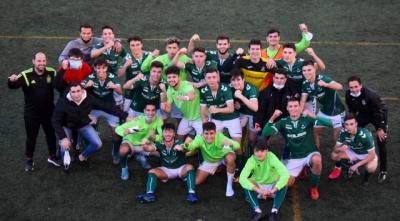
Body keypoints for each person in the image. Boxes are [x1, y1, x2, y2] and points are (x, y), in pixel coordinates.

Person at [262, 98, 332, 200]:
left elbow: (329, 123)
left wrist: (313, 115)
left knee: (317, 160)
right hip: (295, 157)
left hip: (310, 153)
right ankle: (297, 173)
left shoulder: (307, 119)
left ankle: (313, 188)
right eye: (290, 106)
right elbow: (265, 132)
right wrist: (273, 117)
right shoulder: (283, 122)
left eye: (295, 106)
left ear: (300, 107)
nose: (293, 108)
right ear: (287, 108)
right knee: (285, 185)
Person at [52, 82, 127, 174]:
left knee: (97, 144)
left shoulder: (89, 98)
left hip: (82, 124)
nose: (76, 94)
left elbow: (107, 107)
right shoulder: (63, 101)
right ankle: (65, 165)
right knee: (64, 146)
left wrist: (125, 116)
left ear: (83, 90)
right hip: (67, 125)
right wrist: (63, 137)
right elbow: (55, 121)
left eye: (78, 91)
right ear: (70, 92)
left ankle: (81, 158)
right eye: (73, 92)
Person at [8, 52, 60, 171]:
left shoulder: (51, 72)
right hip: (32, 114)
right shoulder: (26, 75)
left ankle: (53, 156)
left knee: (51, 135)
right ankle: (29, 160)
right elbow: (13, 85)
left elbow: (60, 82)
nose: (41, 63)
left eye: (43, 61)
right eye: (39, 61)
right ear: (33, 61)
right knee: (31, 137)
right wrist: (12, 81)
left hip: (49, 112)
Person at [300, 60, 346, 179]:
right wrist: (298, 113)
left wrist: (326, 85)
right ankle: (315, 155)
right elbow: (303, 100)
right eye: (304, 70)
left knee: (337, 138)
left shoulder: (323, 78)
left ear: (314, 69)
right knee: (313, 132)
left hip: (337, 113)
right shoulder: (305, 84)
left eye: (309, 70)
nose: (306, 72)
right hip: (324, 112)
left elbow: (340, 87)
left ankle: (338, 165)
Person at [136, 123, 198, 203]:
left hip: (180, 169)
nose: (168, 134)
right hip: (166, 170)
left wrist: (181, 148)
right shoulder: (159, 143)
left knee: (190, 167)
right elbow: (149, 149)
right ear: (162, 133)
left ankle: (192, 194)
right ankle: (149, 195)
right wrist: (144, 145)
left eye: (170, 132)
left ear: (174, 134)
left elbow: (185, 149)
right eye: (165, 132)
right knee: (152, 172)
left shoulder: (179, 142)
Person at [176, 122, 240, 197]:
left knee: (230, 158)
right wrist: (184, 145)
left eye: (211, 133)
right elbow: (190, 147)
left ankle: (229, 185)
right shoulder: (199, 138)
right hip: (211, 161)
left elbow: (237, 145)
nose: (209, 136)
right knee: (195, 182)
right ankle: (218, 167)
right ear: (202, 133)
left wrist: (230, 144)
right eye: (206, 133)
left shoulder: (220, 137)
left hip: (223, 155)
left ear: (215, 133)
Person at [345, 76, 388, 183]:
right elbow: (352, 111)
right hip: (364, 114)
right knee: (353, 134)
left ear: (361, 85)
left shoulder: (371, 95)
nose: (354, 89)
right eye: (351, 87)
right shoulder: (348, 95)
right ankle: (353, 159)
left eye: (356, 86)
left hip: (378, 114)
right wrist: (352, 124)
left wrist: (380, 128)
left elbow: (378, 112)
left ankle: (383, 170)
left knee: (381, 141)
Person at [200, 68, 244, 172]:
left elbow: (231, 108)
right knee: (214, 141)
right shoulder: (204, 91)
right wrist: (204, 127)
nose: (211, 80)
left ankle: (238, 166)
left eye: (214, 77)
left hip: (232, 118)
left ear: (218, 77)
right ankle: (218, 162)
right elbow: (202, 112)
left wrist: (216, 109)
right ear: (205, 79)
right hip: (217, 119)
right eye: (209, 78)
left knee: (237, 144)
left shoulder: (225, 88)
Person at [81, 57, 123, 164]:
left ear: (106, 68)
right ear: (94, 68)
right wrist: (85, 86)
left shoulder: (111, 77)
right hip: (93, 108)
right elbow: (79, 90)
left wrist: (114, 87)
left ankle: (115, 152)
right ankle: (87, 151)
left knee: (116, 132)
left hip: (110, 108)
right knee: (87, 129)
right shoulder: (90, 77)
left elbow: (121, 91)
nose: (100, 71)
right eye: (98, 68)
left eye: (103, 68)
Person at [239, 140, 289, 221]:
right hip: (258, 188)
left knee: (284, 180)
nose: (259, 153)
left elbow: (285, 174)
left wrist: (273, 190)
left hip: (272, 187)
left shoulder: (272, 157)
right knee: (247, 181)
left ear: (267, 151)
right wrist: (259, 191)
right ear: (254, 151)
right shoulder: (251, 160)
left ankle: (274, 212)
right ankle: (257, 211)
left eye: (262, 151)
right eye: (257, 151)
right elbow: (241, 179)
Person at [115, 102, 163, 180]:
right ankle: (124, 168)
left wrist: (154, 137)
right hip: (131, 143)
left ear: (156, 111)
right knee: (123, 150)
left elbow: (161, 137)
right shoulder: (137, 120)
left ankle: (141, 157)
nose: (150, 113)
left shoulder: (158, 121)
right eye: (148, 110)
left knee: (160, 152)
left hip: (145, 145)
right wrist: (128, 131)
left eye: (153, 110)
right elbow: (118, 129)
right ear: (144, 111)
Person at [330, 113, 378, 185]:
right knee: (334, 155)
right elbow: (335, 149)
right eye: (347, 124)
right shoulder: (344, 132)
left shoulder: (365, 135)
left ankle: (366, 178)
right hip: (353, 151)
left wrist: (357, 165)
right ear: (344, 125)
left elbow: (372, 155)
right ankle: (341, 167)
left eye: (351, 124)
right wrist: (339, 148)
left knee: (371, 168)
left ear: (356, 124)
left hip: (366, 154)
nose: (349, 127)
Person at [161, 66, 203, 140]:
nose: (171, 79)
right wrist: (164, 107)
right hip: (187, 118)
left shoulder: (186, 85)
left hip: (199, 118)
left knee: (202, 141)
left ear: (179, 78)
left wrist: (184, 98)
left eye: (174, 77)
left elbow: (192, 96)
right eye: (169, 77)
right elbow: (168, 110)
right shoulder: (170, 90)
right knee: (178, 138)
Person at [229, 69, 259, 158]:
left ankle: (251, 156)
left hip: (254, 114)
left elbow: (255, 108)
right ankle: (240, 156)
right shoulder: (230, 87)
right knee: (237, 135)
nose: (236, 83)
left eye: (238, 79)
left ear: (243, 80)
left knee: (252, 139)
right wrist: (234, 103)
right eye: (233, 80)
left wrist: (240, 96)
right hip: (241, 113)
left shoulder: (252, 88)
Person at [117, 36, 150, 112]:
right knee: (126, 113)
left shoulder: (149, 55)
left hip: (146, 91)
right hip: (131, 91)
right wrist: (125, 65)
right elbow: (119, 75)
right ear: (129, 47)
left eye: (137, 45)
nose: (135, 47)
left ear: (141, 45)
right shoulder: (127, 58)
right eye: (132, 45)